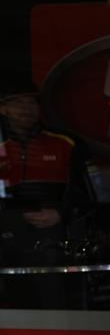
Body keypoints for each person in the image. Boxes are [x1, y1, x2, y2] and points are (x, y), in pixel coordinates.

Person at [0, 86, 76, 266]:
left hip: (54, 236)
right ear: (3, 109)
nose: (26, 108)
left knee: (52, 290)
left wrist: (60, 213)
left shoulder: (66, 144)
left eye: (31, 102)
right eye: (18, 103)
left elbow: (88, 191)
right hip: (6, 238)